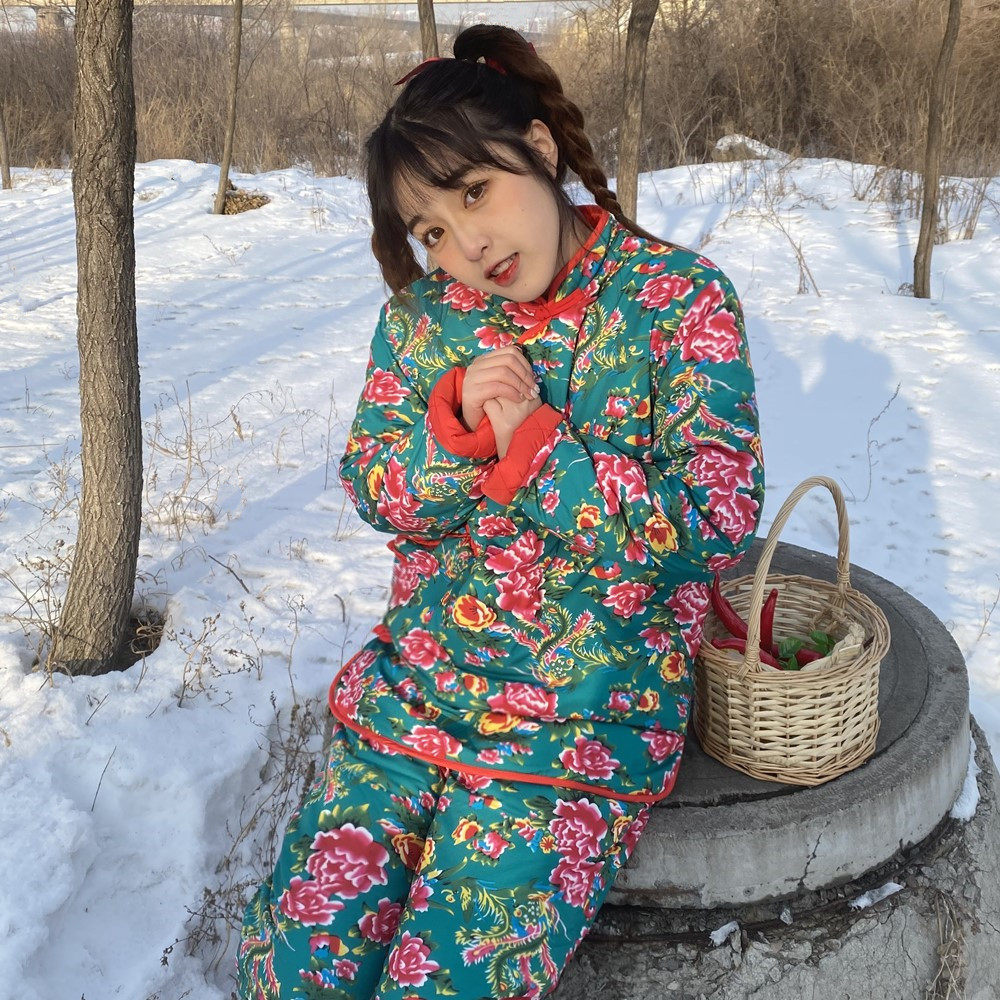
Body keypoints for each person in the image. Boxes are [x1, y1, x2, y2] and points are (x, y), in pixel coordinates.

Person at [237, 23, 764, 1000]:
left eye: (474, 192)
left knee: (443, 981)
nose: (466, 246)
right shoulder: (422, 321)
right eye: (432, 230)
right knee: (294, 966)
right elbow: (379, 489)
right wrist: (453, 438)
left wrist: (541, 455)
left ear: (542, 147)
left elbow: (715, 519)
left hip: (582, 714)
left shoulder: (675, 301)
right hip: (418, 690)